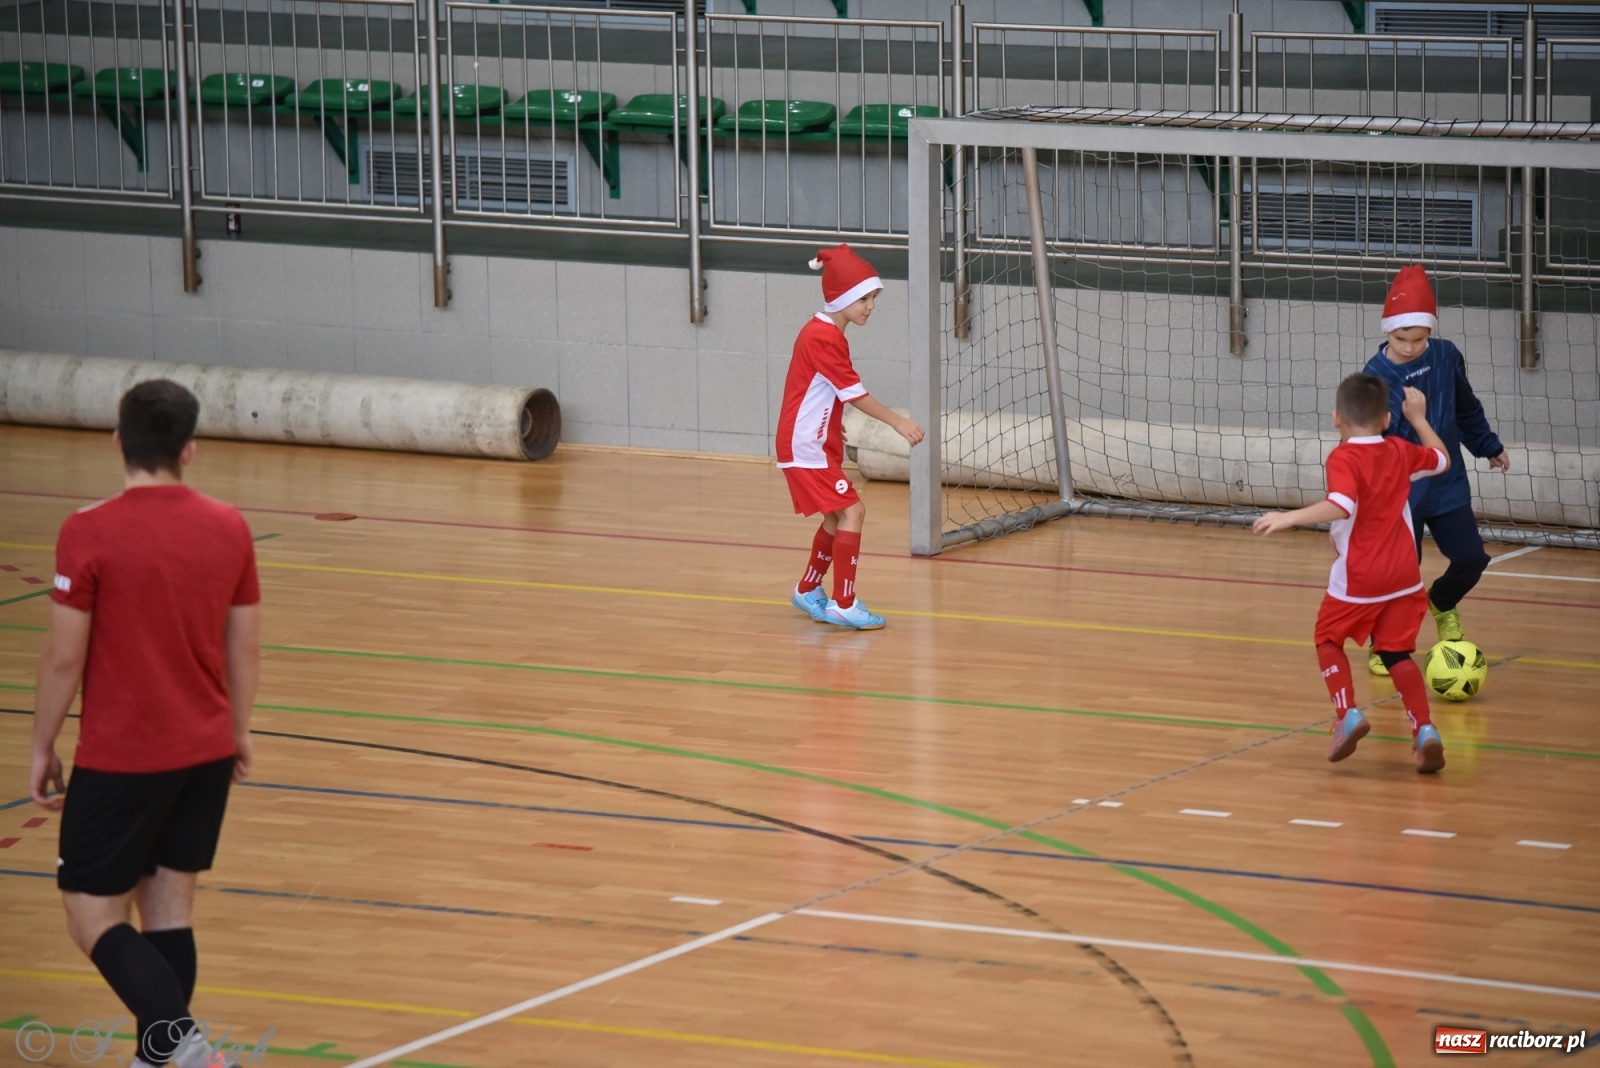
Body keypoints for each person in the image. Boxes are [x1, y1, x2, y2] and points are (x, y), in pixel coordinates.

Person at [30, 379, 262, 1068]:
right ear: (188, 451)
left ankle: (181, 1048)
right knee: (167, 911)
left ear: (116, 441)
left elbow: (65, 657)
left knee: (91, 913)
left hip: (124, 755)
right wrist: (240, 730)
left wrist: (41, 743)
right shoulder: (228, 525)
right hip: (206, 749)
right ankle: (159, 1060)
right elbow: (242, 642)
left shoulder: (88, 530)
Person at [1254, 372, 1451, 773]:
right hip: (1404, 576)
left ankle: (1347, 714)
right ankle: (1425, 730)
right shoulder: (1399, 448)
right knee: (1396, 653)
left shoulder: (1343, 457)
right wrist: (1418, 419)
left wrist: (1288, 517)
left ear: (1336, 419)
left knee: (1327, 639)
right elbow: (1442, 459)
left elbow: (1341, 504)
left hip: (1360, 576)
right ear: (1385, 419)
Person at [1361, 264, 1510, 676]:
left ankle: (1442, 602)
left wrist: (1487, 445)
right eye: (1399, 339)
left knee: (1471, 558)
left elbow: (1465, 406)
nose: (1408, 347)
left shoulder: (1446, 356)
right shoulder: (1376, 377)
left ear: (1430, 332)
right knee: (1398, 574)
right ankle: (1386, 643)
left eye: (1417, 338)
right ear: (1387, 332)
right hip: (1400, 492)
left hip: (1446, 481)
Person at [776, 244, 924, 630]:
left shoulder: (823, 333)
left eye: (873, 297)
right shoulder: (823, 337)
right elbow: (853, 393)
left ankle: (809, 589)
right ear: (840, 297)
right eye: (863, 298)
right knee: (853, 511)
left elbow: (815, 390)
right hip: (806, 446)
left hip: (811, 440)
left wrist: (828, 423)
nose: (870, 306)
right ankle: (843, 601)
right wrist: (897, 422)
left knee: (835, 516)